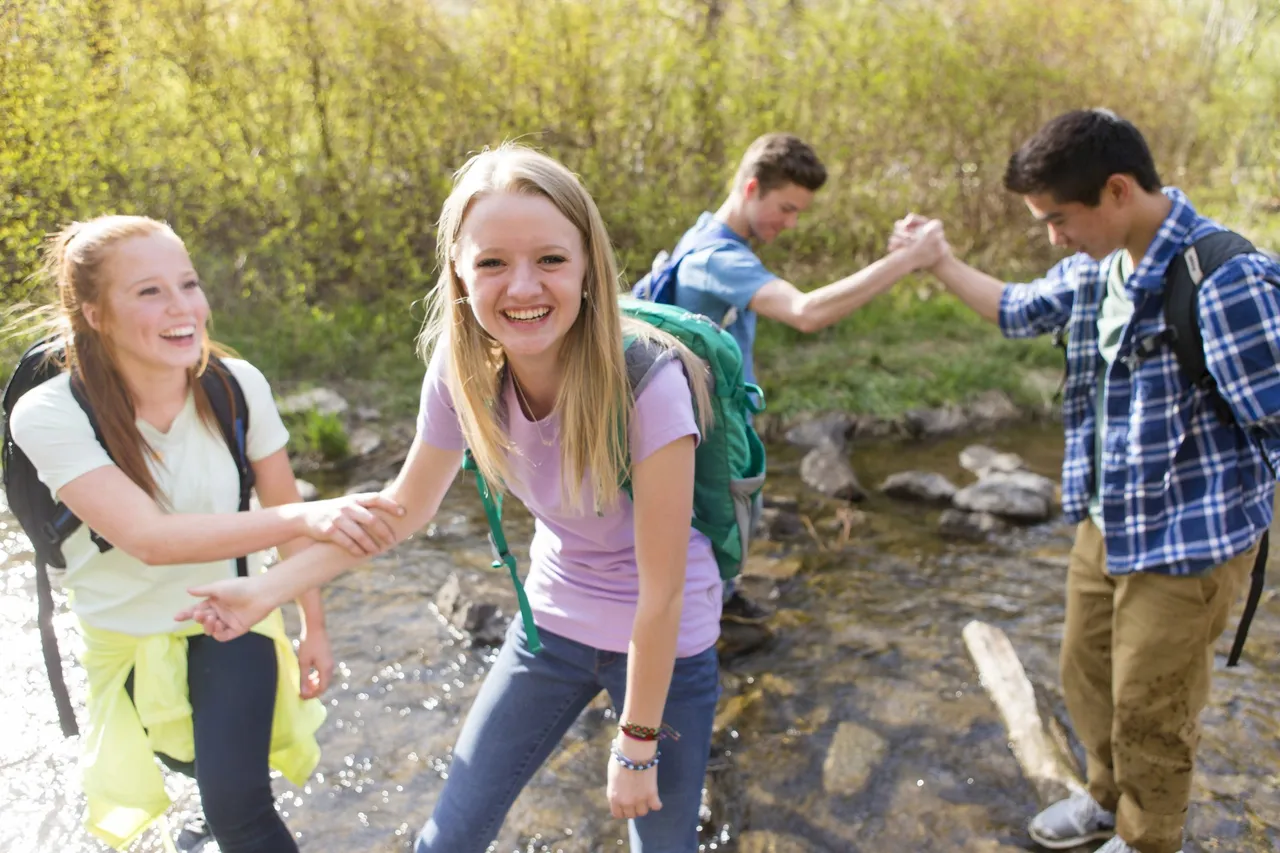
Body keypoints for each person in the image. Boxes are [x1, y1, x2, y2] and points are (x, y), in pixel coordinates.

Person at [177, 144, 727, 852]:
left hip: (667, 647)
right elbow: (403, 511)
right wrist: (266, 592)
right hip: (550, 621)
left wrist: (637, 741)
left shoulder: (649, 384)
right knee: (448, 839)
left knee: (661, 846)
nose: (522, 287)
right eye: (493, 261)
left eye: (551, 260)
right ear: (460, 274)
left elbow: (663, 591)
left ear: (589, 265)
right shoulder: (463, 371)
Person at [892, 109, 1280, 853]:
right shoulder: (1100, 268)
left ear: (1118, 190)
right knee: (1086, 675)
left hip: (1189, 543)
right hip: (1105, 522)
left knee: (1152, 707)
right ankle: (1105, 799)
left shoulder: (1223, 276)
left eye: (1059, 218)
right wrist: (934, 260)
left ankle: (1146, 838)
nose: (1052, 237)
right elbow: (1013, 309)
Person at [9, 215, 404, 852]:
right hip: (125, 641)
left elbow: (277, 499)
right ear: (95, 313)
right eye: (149, 292)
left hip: (234, 614)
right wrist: (310, 514)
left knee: (239, 805)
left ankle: (216, 813)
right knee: (192, 771)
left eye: (188, 284)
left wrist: (314, 625)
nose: (183, 308)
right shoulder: (50, 413)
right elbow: (149, 538)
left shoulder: (236, 387)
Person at [642, 132, 945, 625]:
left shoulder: (699, 237)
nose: (791, 223)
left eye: (799, 212)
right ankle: (706, 627)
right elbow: (806, 312)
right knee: (725, 527)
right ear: (751, 187)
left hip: (693, 420)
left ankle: (715, 607)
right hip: (710, 432)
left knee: (714, 528)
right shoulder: (718, 259)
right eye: (785, 207)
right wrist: (907, 261)